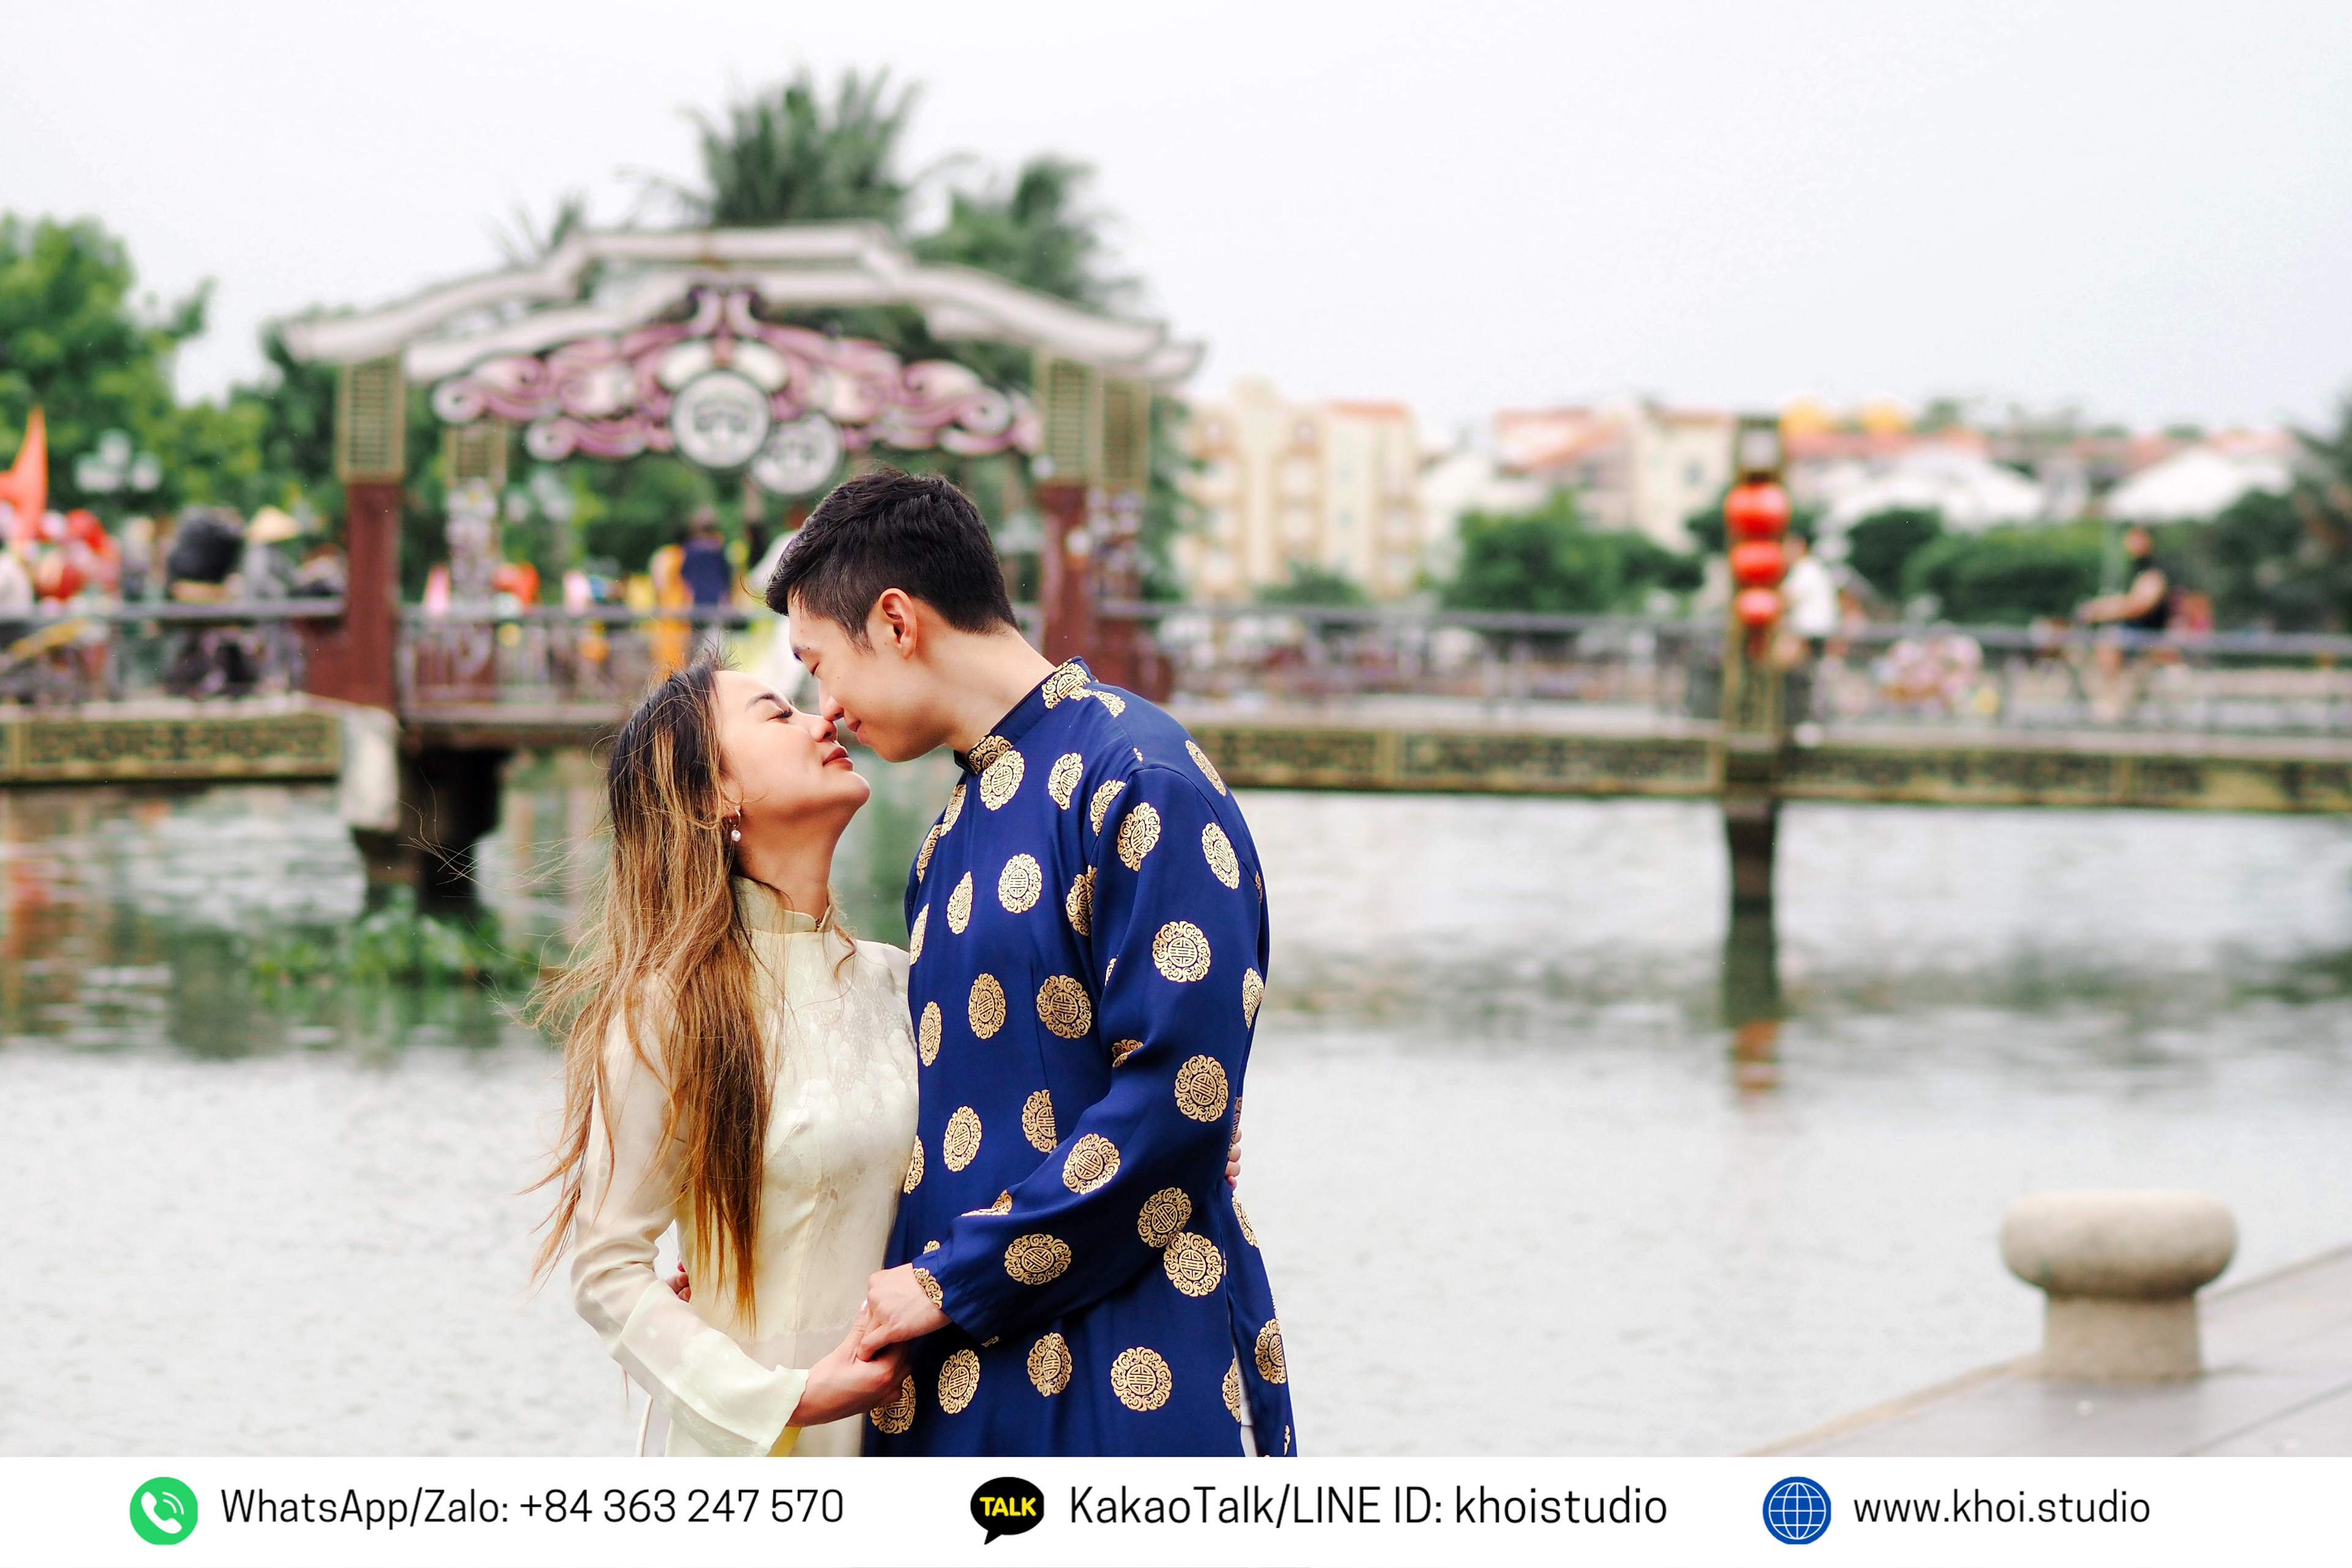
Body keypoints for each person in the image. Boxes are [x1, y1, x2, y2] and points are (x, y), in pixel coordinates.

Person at [772, 468, 1295, 1458]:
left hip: (1133, 1348)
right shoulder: (951, 829)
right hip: (954, 1357)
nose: (825, 708)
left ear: (895, 621)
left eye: (818, 662)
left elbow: (1181, 1093)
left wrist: (948, 1280)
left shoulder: (1139, 778)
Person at [533, 658, 919, 1456]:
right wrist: (788, 1399)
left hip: (919, 1440)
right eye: (780, 715)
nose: (825, 721)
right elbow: (607, 1269)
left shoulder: (901, 982)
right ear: (713, 793)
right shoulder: (672, 1010)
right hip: (758, 1453)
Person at [2077, 526, 2173, 679]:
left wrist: (2101, 611)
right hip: (2138, 632)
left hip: (2147, 635)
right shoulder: (2137, 568)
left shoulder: (2153, 569)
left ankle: (2112, 691)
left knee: (2108, 640)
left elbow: (2139, 605)